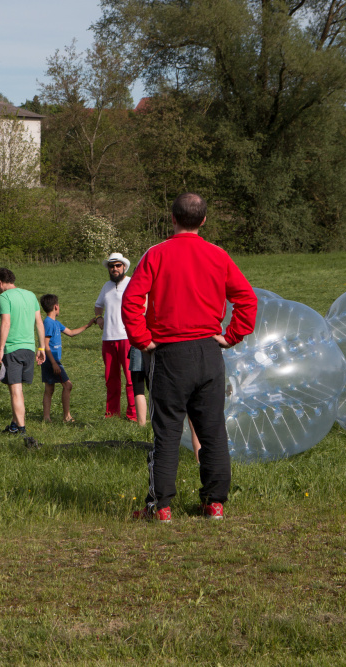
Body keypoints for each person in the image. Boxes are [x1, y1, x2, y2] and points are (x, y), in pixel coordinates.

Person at [122, 193, 256, 522]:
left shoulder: (156, 254)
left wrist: (143, 341)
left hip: (169, 353)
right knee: (212, 431)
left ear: (172, 219)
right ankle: (215, 504)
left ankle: (162, 507)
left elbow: (130, 301)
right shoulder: (218, 255)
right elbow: (247, 301)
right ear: (204, 220)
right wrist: (230, 336)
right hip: (209, 352)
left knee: (166, 432)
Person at [0, 267, 46, 447]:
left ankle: (21, 430)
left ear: (0, 282)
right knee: (16, 388)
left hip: (12, 349)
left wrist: (0, 350)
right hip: (29, 349)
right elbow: (39, 322)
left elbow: (6, 323)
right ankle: (14, 425)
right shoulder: (30, 295)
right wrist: (41, 347)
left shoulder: (4, 297)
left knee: (16, 390)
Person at [94, 252, 137, 421]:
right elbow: (98, 306)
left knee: (130, 378)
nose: (114, 269)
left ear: (124, 267)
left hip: (127, 337)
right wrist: (99, 318)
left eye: (118, 265)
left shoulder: (132, 283)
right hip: (108, 339)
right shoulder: (106, 286)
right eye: (112, 266)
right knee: (111, 379)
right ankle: (112, 413)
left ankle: (133, 414)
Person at [39, 293, 94, 423]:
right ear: (56, 307)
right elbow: (45, 345)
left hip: (51, 361)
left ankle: (46, 418)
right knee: (67, 385)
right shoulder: (48, 323)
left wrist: (88, 325)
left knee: (49, 389)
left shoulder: (55, 323)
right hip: (52, 361)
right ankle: (66, 417)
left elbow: (71, 333)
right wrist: (54, 363)